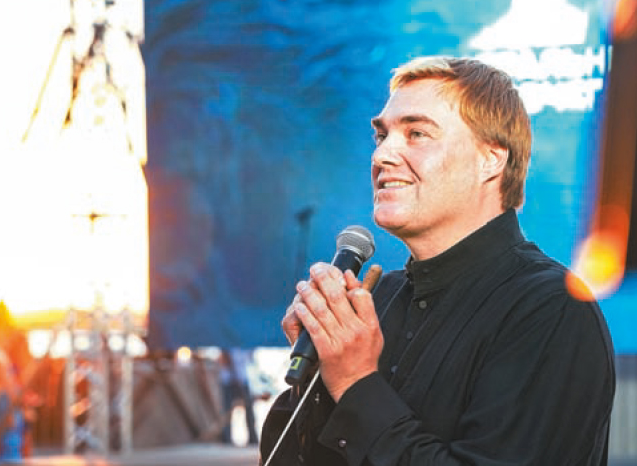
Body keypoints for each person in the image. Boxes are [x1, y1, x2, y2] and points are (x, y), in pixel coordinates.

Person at [259, 56, 615, 465]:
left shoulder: (550, 308)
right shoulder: (378, 300)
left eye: (417, 133)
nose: (382, 155)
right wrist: (318, 371)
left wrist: (355, 382)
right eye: (381, 136)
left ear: (491, 159)